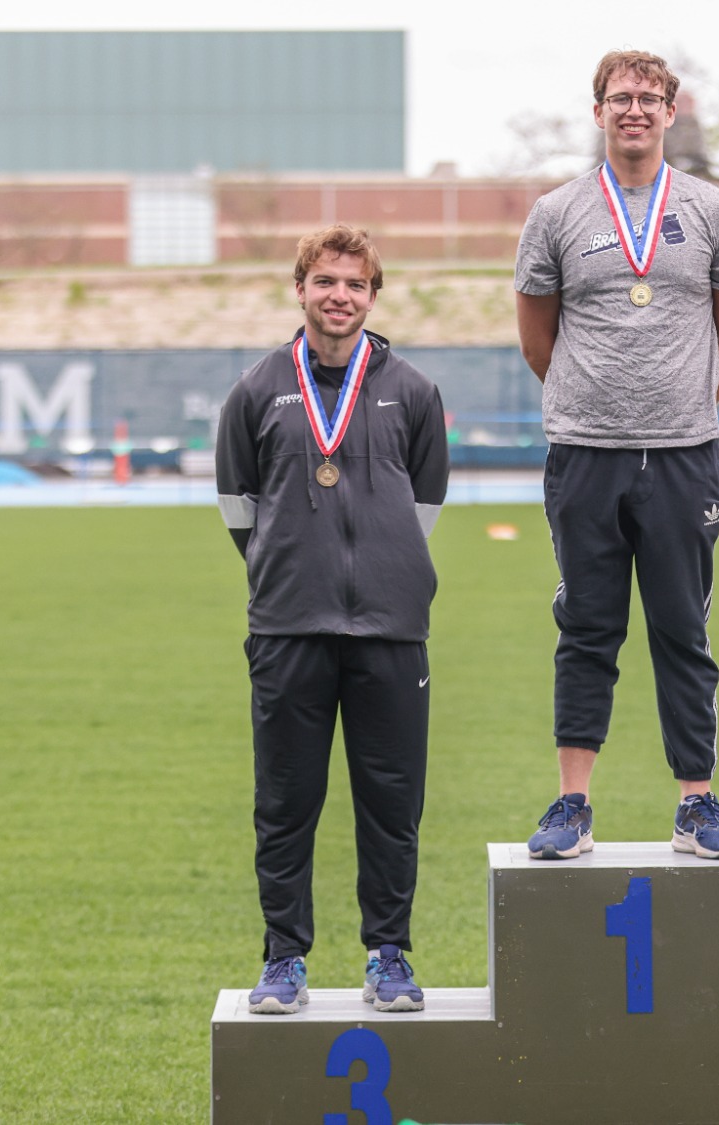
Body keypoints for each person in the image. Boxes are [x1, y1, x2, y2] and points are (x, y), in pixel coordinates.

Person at [512, 50, 719, 862]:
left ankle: (696, 803)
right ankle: (572, 804)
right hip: (585, 454)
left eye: (650, 98)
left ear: (670, 113)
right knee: (586, 628)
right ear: (598, 111)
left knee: (684, 630)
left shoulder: (713, 210)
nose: (636, 110)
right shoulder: (556, 213)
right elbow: (537, 337)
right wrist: (598, 404)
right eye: (621, 97)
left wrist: (679, 404)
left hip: (686, 456)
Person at [215, 224, 450, 1015]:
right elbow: (238, 508)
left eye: (354, 284)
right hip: (287, 627)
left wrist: (382, 565)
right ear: (300, 289)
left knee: (391, 800)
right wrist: (293, 566)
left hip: (390, 628)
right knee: (284, 800)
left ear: (373, 296)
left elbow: (424, 504)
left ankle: (389, 954)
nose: (339, 296)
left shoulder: (412, 390)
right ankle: (284, 957)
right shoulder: (254, 389)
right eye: (325, 282)